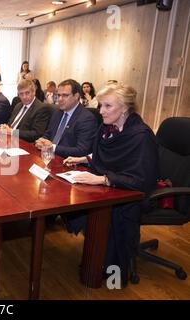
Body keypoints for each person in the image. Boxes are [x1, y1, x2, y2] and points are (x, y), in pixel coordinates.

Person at [62, 83, 158, 286]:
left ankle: (104, 266)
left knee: (98, 208)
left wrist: (102, 179)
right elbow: (103, 157)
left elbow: (141, 179)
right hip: (111, 187)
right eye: (100, 105)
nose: (101, 111)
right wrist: (84, 159)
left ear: (124, 108)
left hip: (131, 195)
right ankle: (96, 256)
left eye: (107, 106)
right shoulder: (107, 127)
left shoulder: (141, 136)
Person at [35, 79, 97, 158]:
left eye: (65, 95)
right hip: (48, 156)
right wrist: (41, 141)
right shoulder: (57, 112)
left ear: (76, 96)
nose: (60, 99)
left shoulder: (87, 118)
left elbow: (82, 151)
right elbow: (49, 133)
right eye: (58, 95)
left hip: (68, 163)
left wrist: (52, 147)